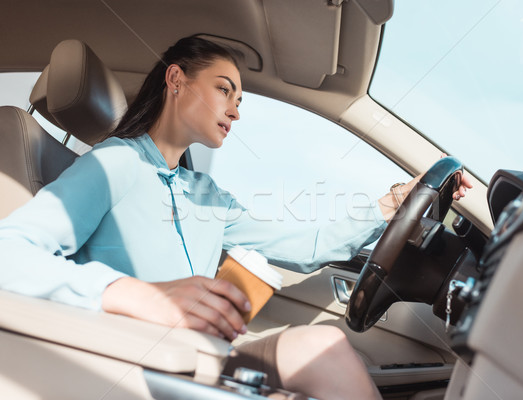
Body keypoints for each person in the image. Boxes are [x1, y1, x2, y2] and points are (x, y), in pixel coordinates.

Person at [0, 36, 471, 400]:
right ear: (176, 80)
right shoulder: (115, 163)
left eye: (240, 99)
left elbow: (305, 245)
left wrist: (392, 204)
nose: (236, 110)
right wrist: (137, 295)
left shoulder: (207, 194)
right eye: (225, 89)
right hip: (132, 356)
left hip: (202, 352)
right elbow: (9, 253)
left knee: (324, 348)